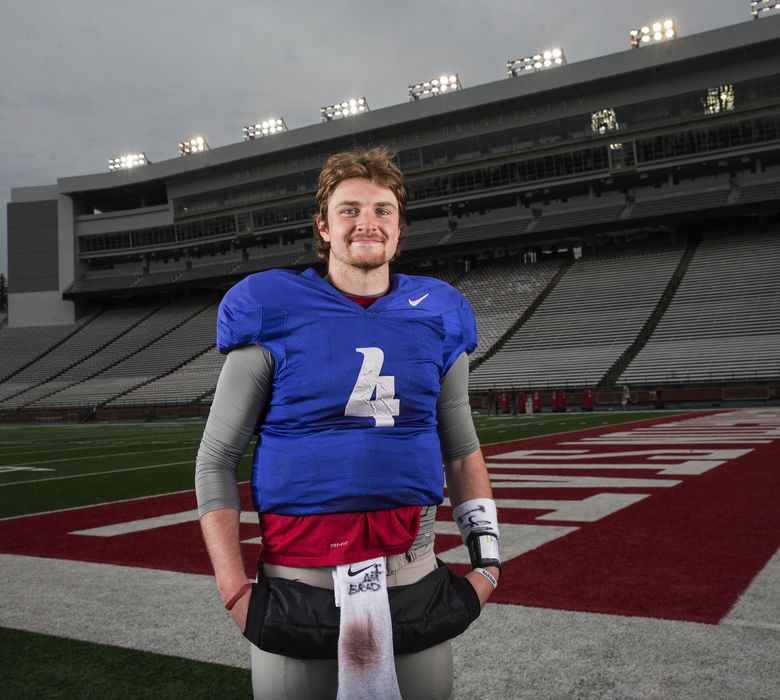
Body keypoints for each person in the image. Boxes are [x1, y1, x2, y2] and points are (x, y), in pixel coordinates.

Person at [195, 147, 500, 700]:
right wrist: (232, 588)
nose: (368, 222)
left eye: (383, 210)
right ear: (324, 225)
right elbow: (216, 458)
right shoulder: (272, 307)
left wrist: (489, 562)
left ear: (400, 228)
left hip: (412, 569)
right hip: (298, 577)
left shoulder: (438, 313)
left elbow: (460, 449)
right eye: (350, 209)